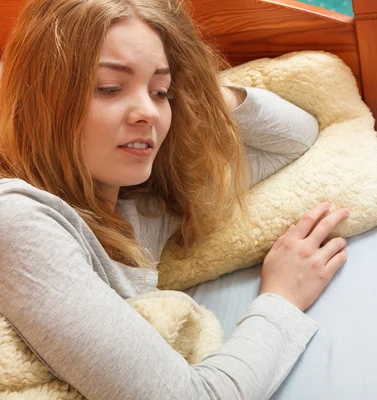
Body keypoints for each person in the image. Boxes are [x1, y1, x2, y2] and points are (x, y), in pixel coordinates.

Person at [0, 0, 351, 398]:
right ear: (39, 97)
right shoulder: (16, 218)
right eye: (109, 87)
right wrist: (282, 298)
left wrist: (203, 96)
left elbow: (292, 139)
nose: (147, 112)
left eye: (160, 90)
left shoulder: (140, 209)